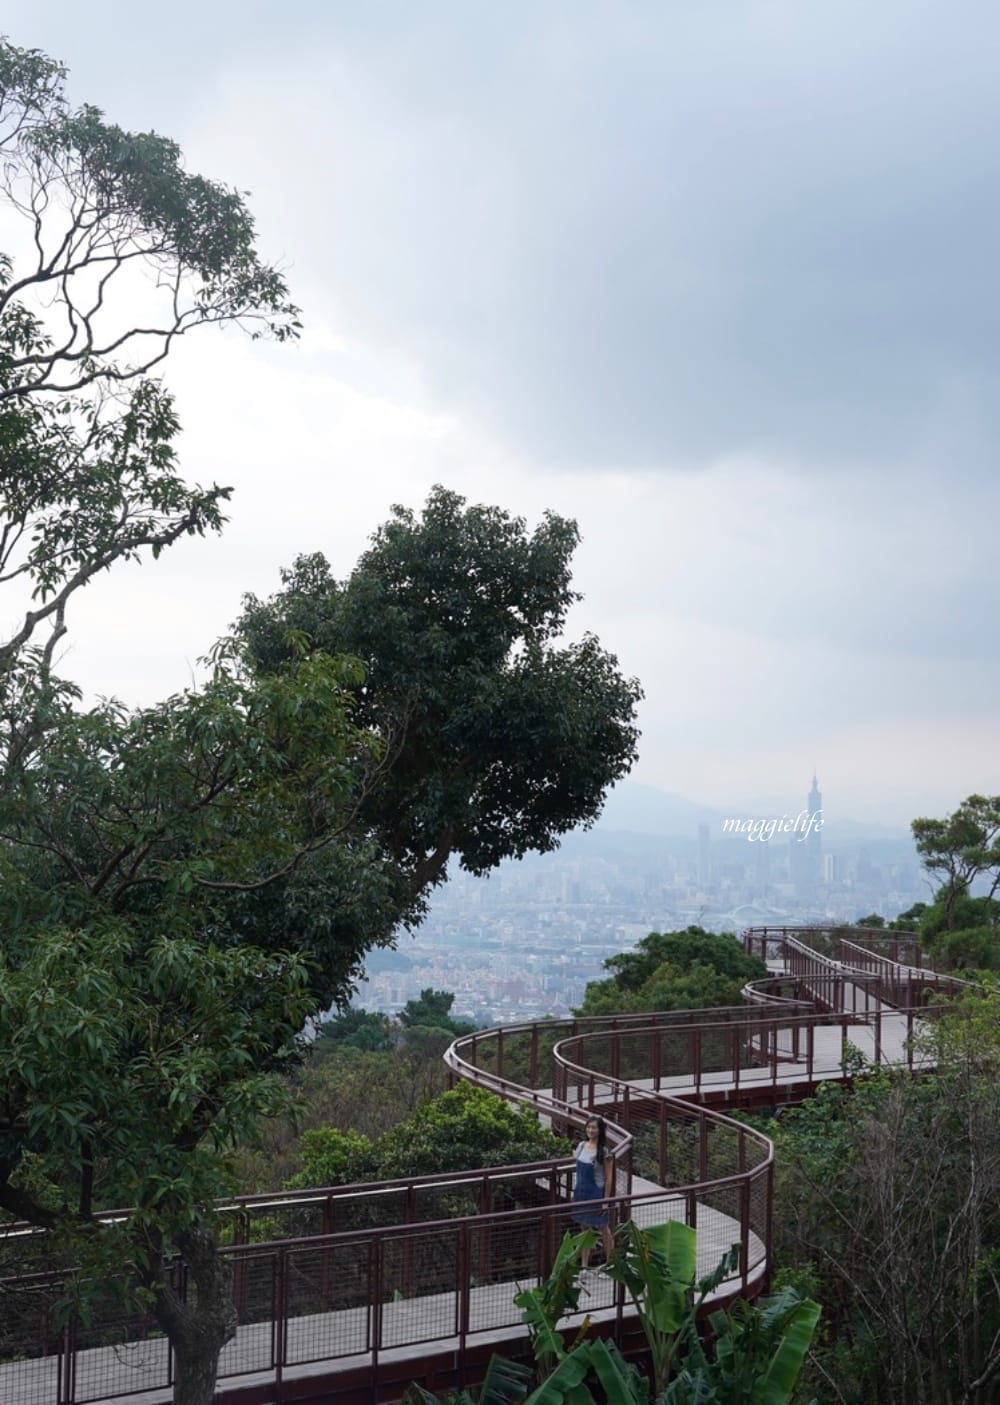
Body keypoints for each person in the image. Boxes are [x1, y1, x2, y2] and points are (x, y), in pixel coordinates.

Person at [571, 1115, 615, 1269]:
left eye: (594, 1127)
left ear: (600, 1130)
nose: (590, 1130)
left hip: (596, 1192)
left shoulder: (604, 1152)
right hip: (581, 1191)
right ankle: (584, 1265)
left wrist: (605, 1200)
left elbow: (609, 1178)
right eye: (588, 1127)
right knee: (584, 1229)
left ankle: (611, 1262)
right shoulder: (582, 1145)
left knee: (603, 1227)